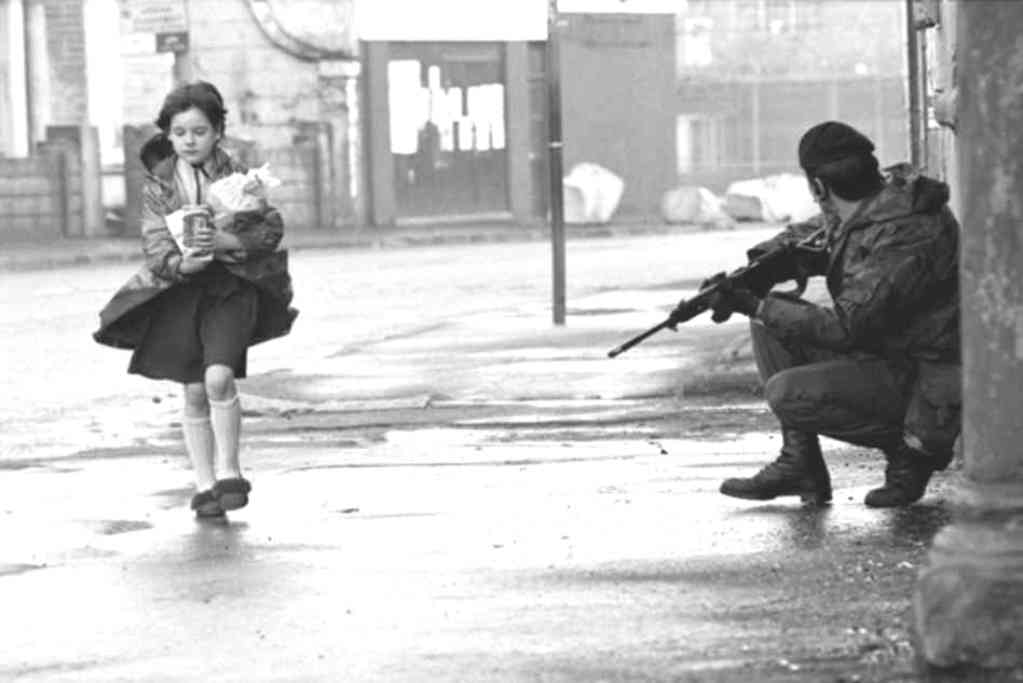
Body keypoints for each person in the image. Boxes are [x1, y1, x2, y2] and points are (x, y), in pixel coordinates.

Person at [704, 120, 961, 508]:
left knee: (786, 390)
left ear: (819, 188)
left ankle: (911, 454)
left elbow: (846, 327)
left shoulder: (909, 230)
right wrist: (758, 268)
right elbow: (815, 234)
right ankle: (800, 464)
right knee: (772, 324)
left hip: (927, 377)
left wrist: (755, 304)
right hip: (889, 354)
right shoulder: (876, 203)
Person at [94, 81, 298, 518]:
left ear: (218, 132)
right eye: (180, 132)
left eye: (200, 131)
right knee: (192, 391)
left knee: (218, 378)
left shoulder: (239, 176)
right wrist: (178, 264)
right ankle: (205, 486)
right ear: (168, 135)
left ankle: (229, 472)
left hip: (230, 287)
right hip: (180, 292)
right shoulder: (159, 183)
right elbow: (154, 242)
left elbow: (269, 229)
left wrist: (228, 240)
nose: (189, 141)